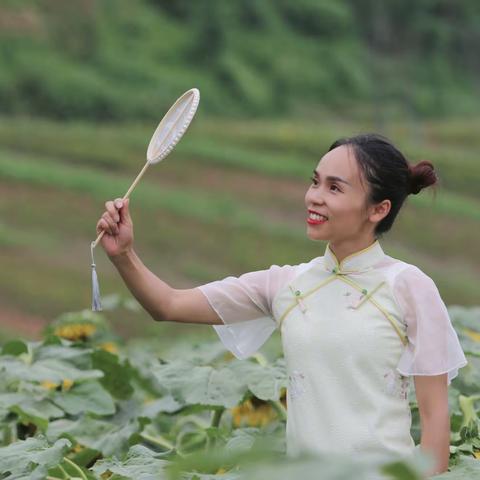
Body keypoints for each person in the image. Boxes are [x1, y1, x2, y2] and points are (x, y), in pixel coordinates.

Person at [96, 133, 468, 477]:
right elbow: (169, 305)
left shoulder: (409, 287)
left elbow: (435, 421)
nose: (314, 196)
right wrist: (124, 255)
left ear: (378, 209)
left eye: (334, 187)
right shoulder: (286, 284)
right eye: (315, 181)